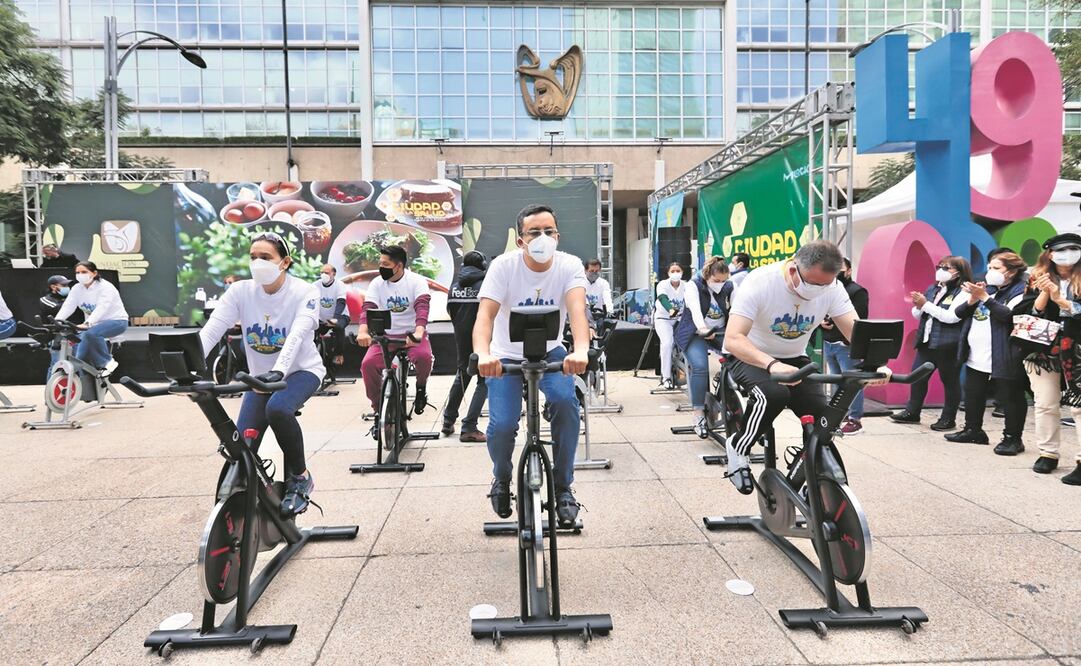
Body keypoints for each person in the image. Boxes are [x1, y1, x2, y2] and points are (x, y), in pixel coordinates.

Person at [722, 240, 891, 493]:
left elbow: (856, 333)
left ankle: (809, 468)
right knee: (774, 395)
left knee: (824, 414)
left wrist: (877, 365)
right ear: (794, 269)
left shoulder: (832, 288)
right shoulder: (761, 281)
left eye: (826, 284)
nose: (820, 289)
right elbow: (733, 338)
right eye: (814, 283)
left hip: (795, 357)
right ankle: (739, 446)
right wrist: (771, 365)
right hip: (751, 356)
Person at [474, 204, 591, 525]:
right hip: (505, 355)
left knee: (566, 405)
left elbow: (578, 311)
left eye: (549, 231)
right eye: (534, 232)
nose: (543, 238)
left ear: (558, 234)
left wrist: (580, 350)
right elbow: (484, 316)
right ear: (520, 241)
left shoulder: (569, 265)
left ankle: (564, 486)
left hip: (552, 351)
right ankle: (501, 478)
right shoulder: (503, 267)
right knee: (501, 426)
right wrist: (483, 355)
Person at [198, 232, 324, 516]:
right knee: (239, 446)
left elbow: (297, 333)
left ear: (285, 262)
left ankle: (300, 478)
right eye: (253, 257)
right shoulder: (240, 291)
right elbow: (213, 329)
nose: (257, 263)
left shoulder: (304, 291)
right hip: (259, 379)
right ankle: (256, 497)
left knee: (278, 409)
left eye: (265, 257)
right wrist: (191, 364)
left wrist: (278, 370)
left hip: (300, 372)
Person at [945, 252, 1029, 452]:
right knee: (973, 393)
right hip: (977, 354)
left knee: (1011, 397)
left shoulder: (1021, 291)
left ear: (1012, 271)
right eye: (990, 267)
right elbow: (958, 314)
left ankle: (1013, 439)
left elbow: (1008, 316)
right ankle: (973, 430)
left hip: (1004, 353)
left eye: (997, 268)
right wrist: (973, 299)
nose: (991, 272)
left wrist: (984, 298)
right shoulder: (988, 289)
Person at [1019, 233, 1081, 484]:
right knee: (1045, 402)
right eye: (1061, 250)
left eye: (1074, 249)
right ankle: (1048, 453)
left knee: (1079, 406)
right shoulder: (1036, 278)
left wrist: (1061, 299)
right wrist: (1045, 292)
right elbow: (1028, 313)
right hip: (1043, 350)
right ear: (1050, 254)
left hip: (1076, 349)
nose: (1068, 254)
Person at [890, 256, 972, 430]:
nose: (941, 270)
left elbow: (951, 317)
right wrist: (919, 306)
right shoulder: (934, 288)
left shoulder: (964, 292)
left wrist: (925, 304)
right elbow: (919, 314)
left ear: (958, 272)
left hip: (948, 345)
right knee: (917, 377)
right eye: (939, 266)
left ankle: (948, 418)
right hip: (927, 341)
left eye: (946, 268)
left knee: (950, 381)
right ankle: (912, 412)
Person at [357, 244, 434, 427]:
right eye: (380, 263)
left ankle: (421, 388)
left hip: (411, 334)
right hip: (386, 336)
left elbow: (422, 308)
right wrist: (362, 330)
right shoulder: (377, 283)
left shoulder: (416, 281)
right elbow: (368, 308)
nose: (380, 267)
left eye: (385, 263)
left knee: (423, 358)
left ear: (398, 266)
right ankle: (378, 410)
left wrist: (418, 332)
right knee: (367, 365)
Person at [674, 257, 733, 437]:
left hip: (722, 330)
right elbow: (695, 310)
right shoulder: (693, 286)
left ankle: (729, 400)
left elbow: (738, 309)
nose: (720, 285)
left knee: (738, 359)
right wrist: (703, 328)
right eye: (716, 281)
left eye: (723, 281)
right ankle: (698, 413)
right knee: (700, 367)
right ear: (707, 276)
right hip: (695, 331)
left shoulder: (730, 287)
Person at [443, 250, 489, 442]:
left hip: (460, 339)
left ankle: (448, 421)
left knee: (462, 375)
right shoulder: (486, 287)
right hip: (484, 341)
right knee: (484, 381)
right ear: (483, 266)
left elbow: (449, 311)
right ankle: (469, 426)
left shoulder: (454, 288)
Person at [820, 258, 869, 435]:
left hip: (846, 344)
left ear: (849, 270)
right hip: (829, 342)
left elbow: (859, 318)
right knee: (836, 381)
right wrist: (821, 323)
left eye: (841, 268)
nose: (837, 272)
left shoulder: (857, 291)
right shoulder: (827, 289)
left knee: (853, 382)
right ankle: (839, 414)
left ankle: (855, 419)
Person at [53, 261, 128, 376]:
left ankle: (107, 362)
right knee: (79, 359)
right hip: (92, 325)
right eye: (77, 272)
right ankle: (83, 385)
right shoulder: (77, 288)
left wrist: (88, 323)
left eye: (84, 272)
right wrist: (57, 321)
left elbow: (102, 308)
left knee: (91, 334)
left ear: (94, 273)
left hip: (116, 321)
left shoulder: (106, 287)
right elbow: (68, 306)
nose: (80, 275)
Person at [654, 262, 687, 390]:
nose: (675, 273)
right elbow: (662, 298)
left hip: (680, 319)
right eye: (672, 271)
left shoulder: (687, 286)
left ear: (682, 272)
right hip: (664, 319)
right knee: (667, 343)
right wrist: (671, 309)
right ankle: (666, 377)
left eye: (678, 271)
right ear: (668, 273)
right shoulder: (663, 284)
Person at [314, 264, 349, 366]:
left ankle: (339, 354)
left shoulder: (339, 285)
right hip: (322, 318)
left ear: (333, 274)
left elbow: (341, 303)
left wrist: (334, 319)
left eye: (327, 273)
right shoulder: (315, 285)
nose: (324, 275)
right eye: (322, 273)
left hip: (340, 316)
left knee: (338, 327)